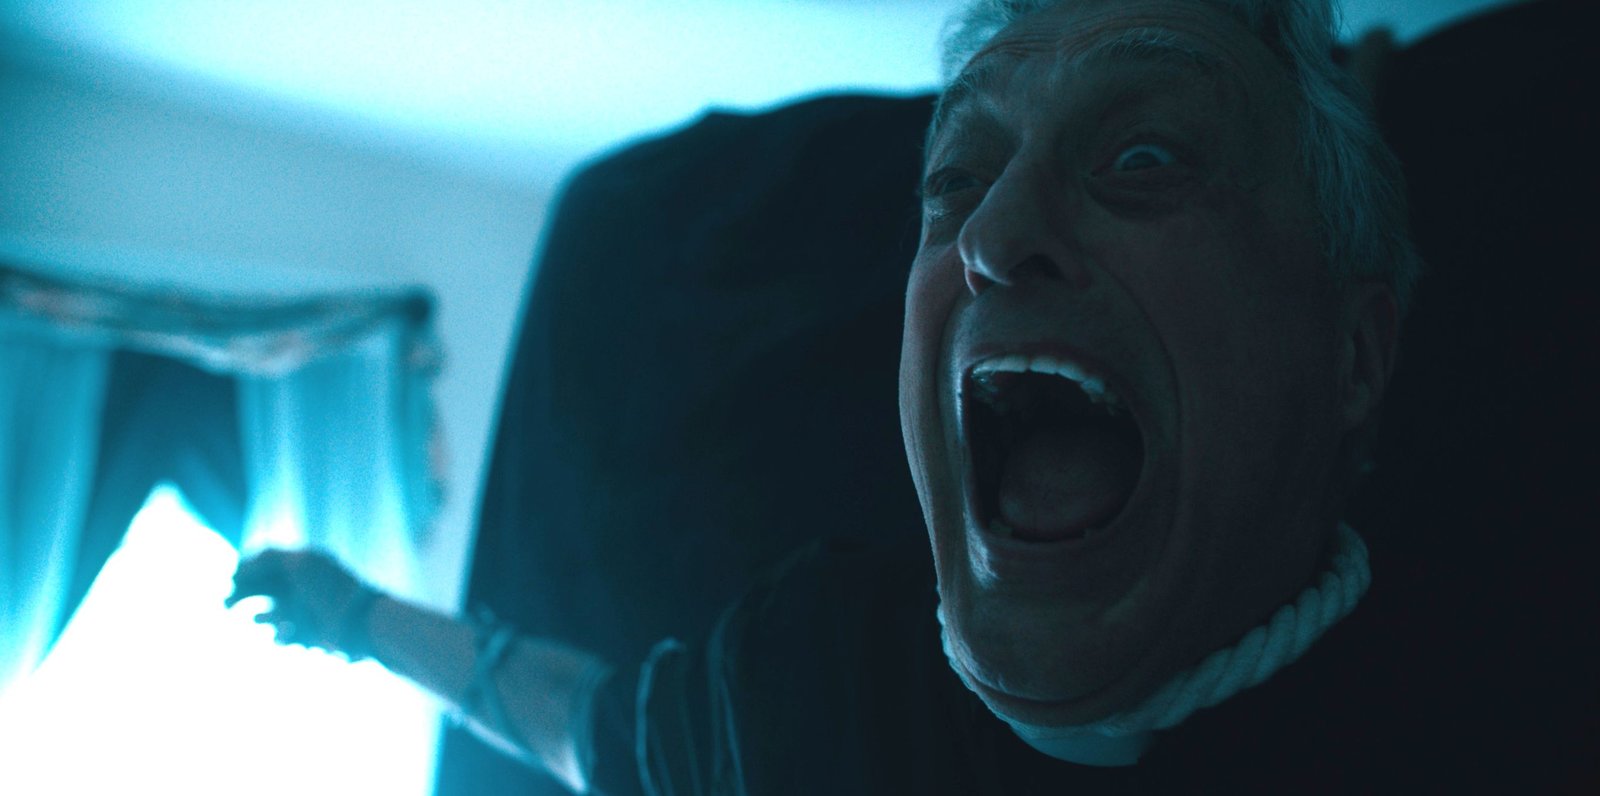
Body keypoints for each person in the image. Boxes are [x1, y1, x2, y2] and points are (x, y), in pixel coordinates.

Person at [229, 0, 1422, 791]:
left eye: (1142, 158)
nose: (990, 234)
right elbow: (599, 729)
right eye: (956, 180)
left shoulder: (1473, 697)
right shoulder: (816, 662)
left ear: (1355, 357)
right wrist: (352, 614)